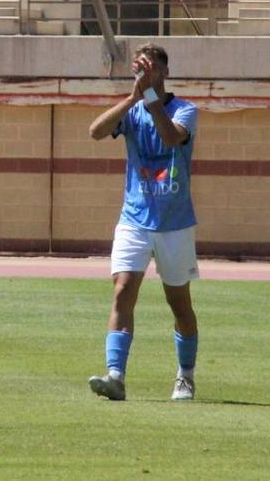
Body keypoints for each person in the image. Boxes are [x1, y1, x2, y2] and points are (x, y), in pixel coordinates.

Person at [86, 43, 200, 402]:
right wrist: (133, 96)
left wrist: (150, 98)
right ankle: (115, 375)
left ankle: (185, 375)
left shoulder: (185, 110)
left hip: (175, 222)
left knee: (178, 302)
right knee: (123, 290)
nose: (145, 73)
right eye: (140, 68)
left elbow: (171, 136)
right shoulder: (133, 109)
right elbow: (96, 131)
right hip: (134, 218)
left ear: (165, 71)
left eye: (151, 68)